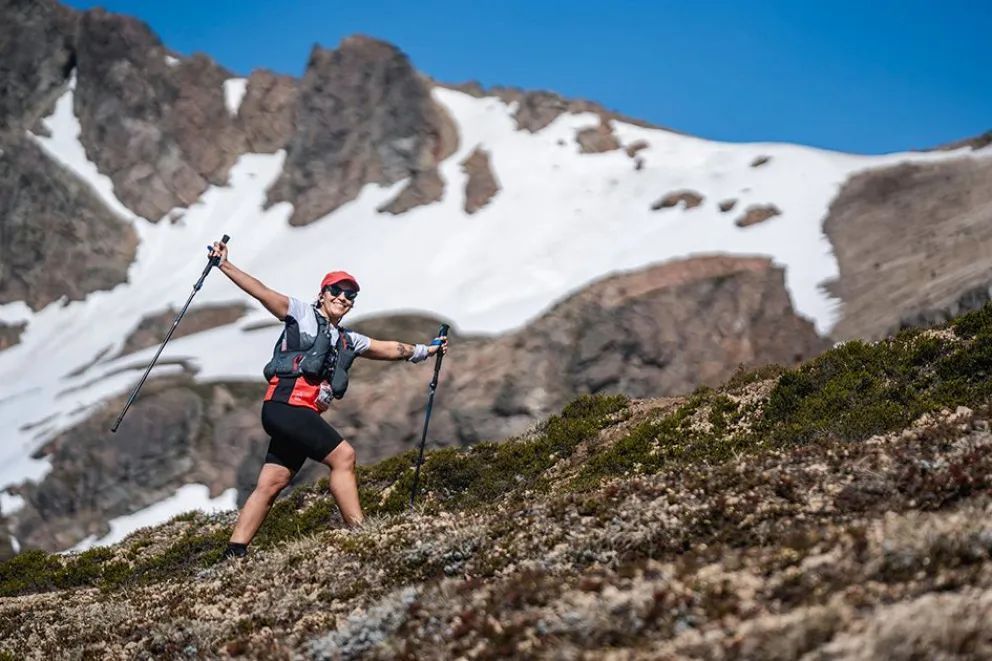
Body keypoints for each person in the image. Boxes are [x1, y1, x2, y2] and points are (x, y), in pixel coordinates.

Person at [206, 241, 448, 560]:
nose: (342, 298)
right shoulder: (301, 314)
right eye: (336, 290)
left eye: (350, 295)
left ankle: (234, 553)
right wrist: (224, 264)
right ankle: (360, 533)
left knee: (273, 481)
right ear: (322, 293)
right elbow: (262, 292)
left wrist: (427, 351)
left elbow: (390, 349)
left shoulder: (348, 339)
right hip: (285, 407)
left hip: (294, 414)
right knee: (343, 457)